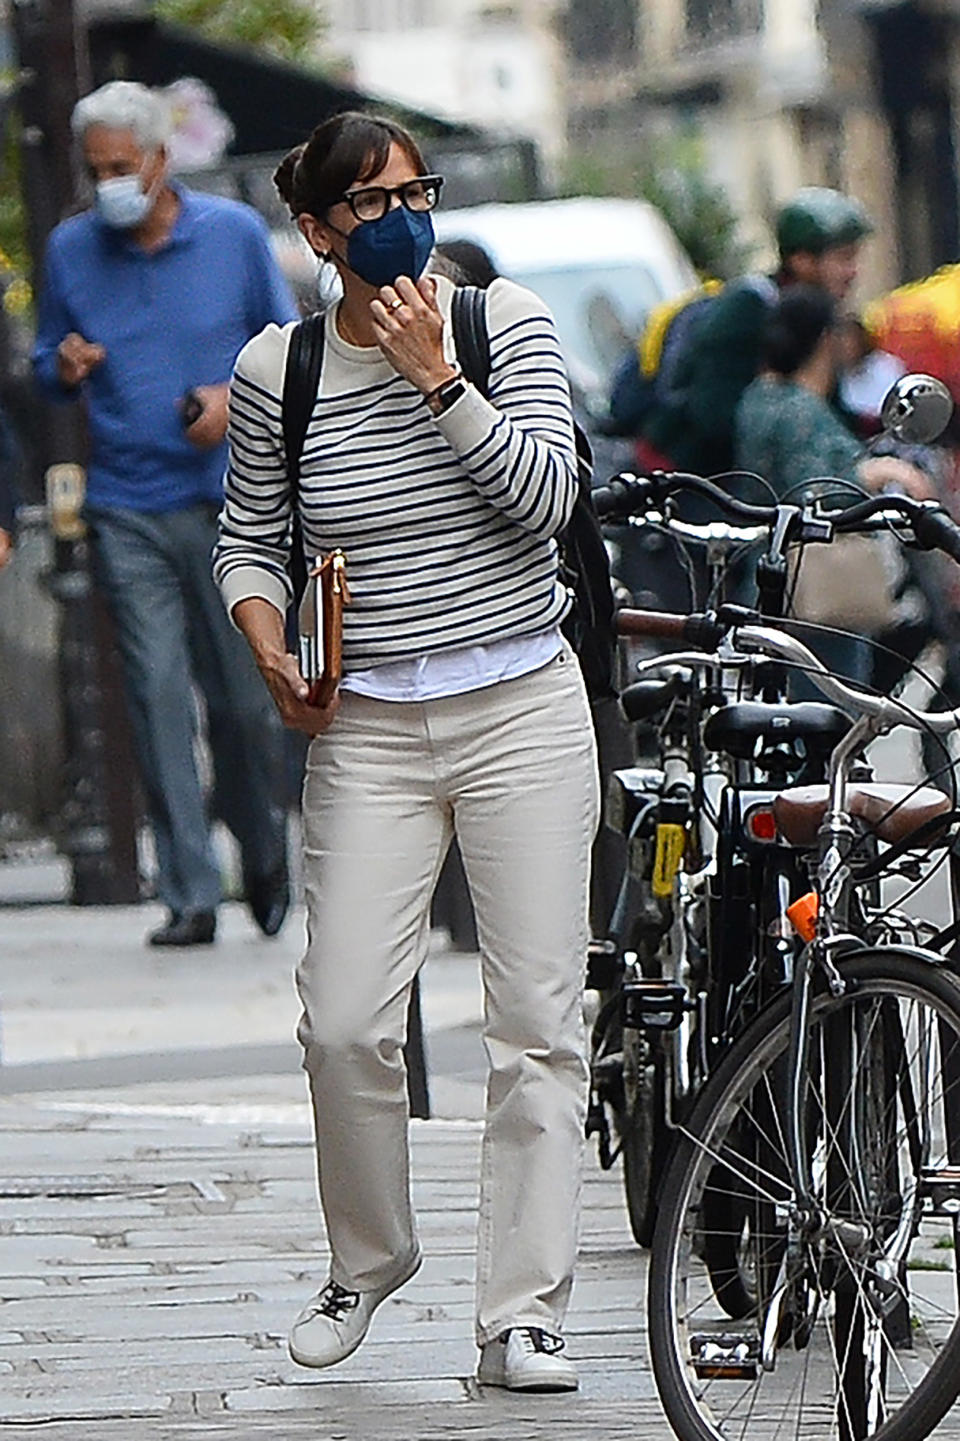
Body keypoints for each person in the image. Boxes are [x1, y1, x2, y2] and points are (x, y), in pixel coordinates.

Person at [213, 111, 598, 1392]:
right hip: (369, 726)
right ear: (318, 233)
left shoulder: (505, 326)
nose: (401, 220)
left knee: (538, 1021)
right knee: (342, 1024)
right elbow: (250, 538)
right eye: (370, 205)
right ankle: (367, 1257)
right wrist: (269, 645)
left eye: (415, 193)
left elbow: (548, 497)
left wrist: (445, 379)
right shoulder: (284, 372)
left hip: (522, 705)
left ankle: (521, 1313)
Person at [33, 80, 298, 948]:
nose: (109, 180)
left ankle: (263, 853)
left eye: (121, 165)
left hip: (234, 501)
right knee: (154, 698)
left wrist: (233, 398)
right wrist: (63, 364)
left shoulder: (229, 234)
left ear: (158, 159)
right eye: (95, 167)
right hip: (127, 504)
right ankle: (188, 890)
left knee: (244, 701)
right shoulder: (72, 250)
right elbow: (43, 358)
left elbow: (291, 348)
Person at [735, 284, 932, 683]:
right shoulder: (800, 409)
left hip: (764, 578)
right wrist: (880, 473)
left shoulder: (758, 397)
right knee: (829, 714)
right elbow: (815, 492)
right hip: (817, 594)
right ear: (827, 339)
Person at [642, 186, 873, 477]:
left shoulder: (816, 316)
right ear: (801, 259)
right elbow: (714, 413)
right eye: (843, 258)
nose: (853, 272)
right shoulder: (750, 307)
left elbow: (826, 410)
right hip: (695, 480)